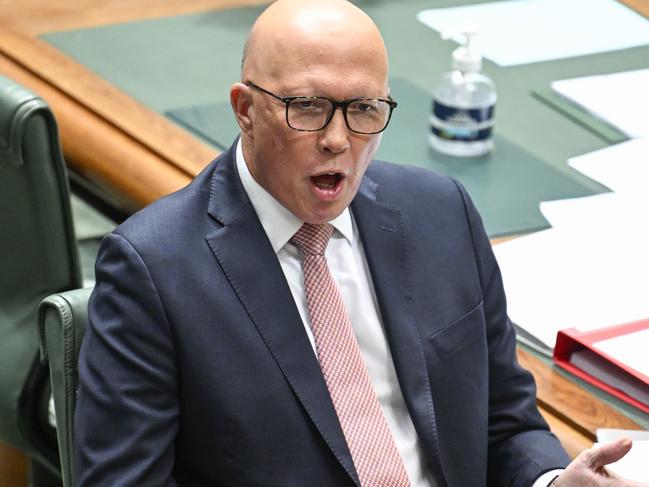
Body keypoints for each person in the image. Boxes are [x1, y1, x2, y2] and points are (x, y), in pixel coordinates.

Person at [75, 1, 646, 486]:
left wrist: (551, 481)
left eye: (364, 110)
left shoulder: (441, 214)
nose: (337, 140)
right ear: (245, 110)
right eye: (308, 107)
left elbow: (506, 421)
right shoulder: (155, 270)